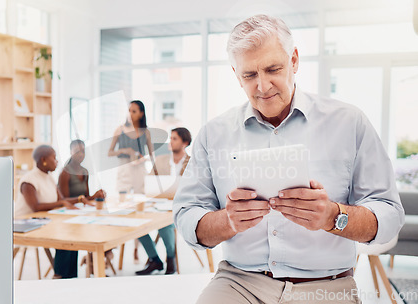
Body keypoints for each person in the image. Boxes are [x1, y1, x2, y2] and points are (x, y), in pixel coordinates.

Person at [173, 15, 405, 304]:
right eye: (249, 75)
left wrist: (333, 216)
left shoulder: (349, 123)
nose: (262, 85)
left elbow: (390, 216)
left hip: (326, 287)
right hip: (239, 282)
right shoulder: (214, 133)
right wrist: (227, 221)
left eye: (273, 69)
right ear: (236, 74)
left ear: (294, 60)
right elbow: (185, 216)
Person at [14, 145, 94, 279]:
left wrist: (81, 199)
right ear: (44, 160)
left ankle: (70, 277)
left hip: (43, 221)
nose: (57, 161)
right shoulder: (28, 181)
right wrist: (62, 203)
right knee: (64, 234)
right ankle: (59, 275)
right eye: (54, 158)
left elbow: (61, 200)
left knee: (72, 233)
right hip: (24, 224)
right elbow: (36, 207)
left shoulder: (49, 177)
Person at [135, 127, 192, 275]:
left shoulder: (192, 163)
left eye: (174, 139)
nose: (170, 142)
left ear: (184, 143)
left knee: (165, 223)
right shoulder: (160, 160)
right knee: (136, 224)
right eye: (170, 138)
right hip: (158, 204)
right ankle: (155, 259)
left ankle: (171, 259)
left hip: (182, 206)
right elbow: (148, 182)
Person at [56, 139, 107, 279]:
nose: (81, 154)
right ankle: (62, 274)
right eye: (77, 151)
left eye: (83, 151)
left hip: (81, 213)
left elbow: (85, 197)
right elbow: (63, 200)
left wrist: (96, 195)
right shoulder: (65, 173)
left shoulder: (85, 171)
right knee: (69, 242)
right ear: (71, 152)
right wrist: (80, 199)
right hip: (67, 214)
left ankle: (93, 266)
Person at [108, 100, 157, 194]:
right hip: (124, 168)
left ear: (141, 114)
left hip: (140, 169)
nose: (130, 114)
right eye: (129, 111)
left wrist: (153, 171)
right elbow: (110, 152)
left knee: (140, 197)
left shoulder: (145, 132)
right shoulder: (120, 130)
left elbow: (151, 155)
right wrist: (125, 150)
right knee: (123, 197)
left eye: (134, 111)